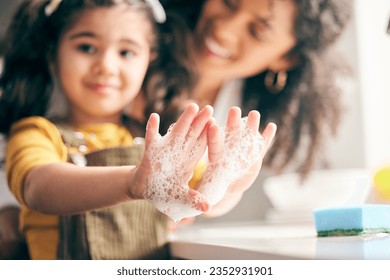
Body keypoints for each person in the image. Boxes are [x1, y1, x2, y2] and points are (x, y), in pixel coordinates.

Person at [0, 0, 276, 260]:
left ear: (149, 60)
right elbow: (39, 189)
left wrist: (229, 186)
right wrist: (132, 183)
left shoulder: (157, 143)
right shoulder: (36, 132)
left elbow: (204, 201)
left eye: (126, 53)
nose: (106, 67)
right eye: (86, 47)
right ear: (53, 52)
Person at [137, 0, 352, 179]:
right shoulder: (131, 49)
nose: (223, 30)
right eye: (228, 2)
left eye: (257, 31)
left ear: (286, 59)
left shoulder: (245, 119)